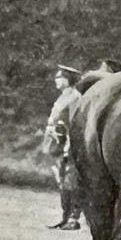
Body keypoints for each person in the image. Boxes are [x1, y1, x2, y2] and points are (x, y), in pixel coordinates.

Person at [43, 65, 83, 230]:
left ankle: (73, 218)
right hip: (60, 143)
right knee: (62, 181)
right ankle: (65, 216)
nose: (56, 80)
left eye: (60, 77)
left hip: (71, 143)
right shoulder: (62, 97)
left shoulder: (75, 97)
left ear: (68, 80)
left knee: (71, 182)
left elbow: (75, 122)